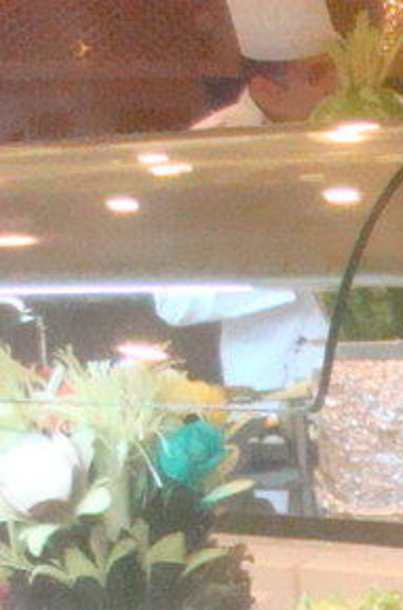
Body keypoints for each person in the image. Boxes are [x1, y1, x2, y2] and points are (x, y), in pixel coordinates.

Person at [153, 0, 341, 392]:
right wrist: (291, 270)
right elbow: (174, 301)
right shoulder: (206, 152)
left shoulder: (365, 137)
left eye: (335, 68)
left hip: (363, 372)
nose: (335, 85)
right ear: (265, 89)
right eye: (318, 75)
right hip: (267, 387)